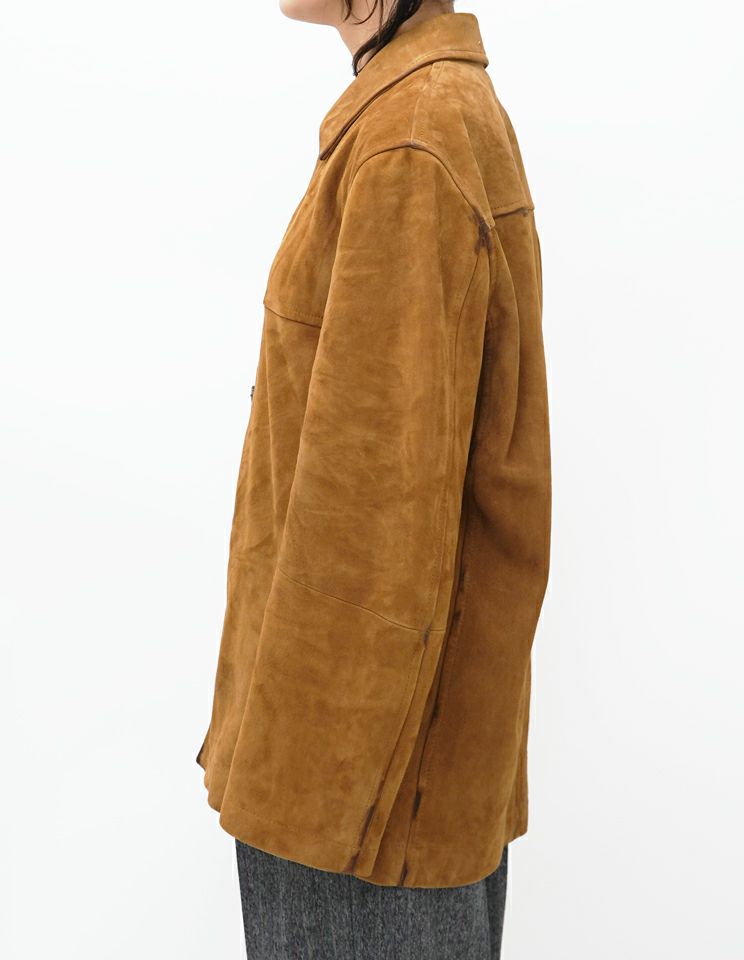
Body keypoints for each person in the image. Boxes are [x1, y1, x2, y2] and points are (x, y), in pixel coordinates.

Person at [195, 2, 551, 957]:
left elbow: (381, 520)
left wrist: (310, 799)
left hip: (357, 795)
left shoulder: (411, 142)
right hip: (382, 778)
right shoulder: (418, 115)